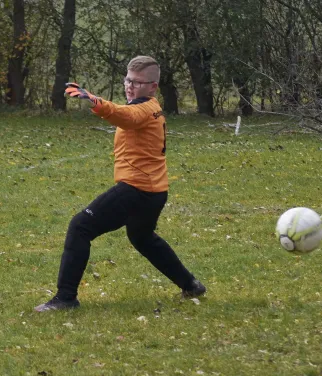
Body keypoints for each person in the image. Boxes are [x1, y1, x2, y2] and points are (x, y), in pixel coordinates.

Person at [34, 56, 206, 312]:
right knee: (142, 238)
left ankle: (65, 298)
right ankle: (190, 284)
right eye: (127, 80)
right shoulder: (150, 105)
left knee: (80, 226)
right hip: (155, 191)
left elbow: (126, 117)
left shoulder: (144, 109)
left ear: (152, 87)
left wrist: (94, 101)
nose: (130, 86)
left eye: (137, 83)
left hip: (136, 190)